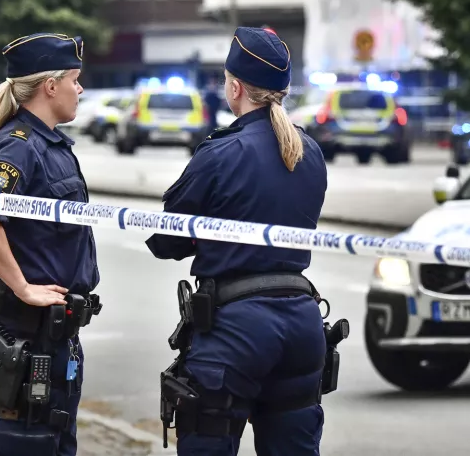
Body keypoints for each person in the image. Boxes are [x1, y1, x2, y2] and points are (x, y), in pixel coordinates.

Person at [147, 26, 344, 455]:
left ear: (235, 87)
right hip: (302, 325)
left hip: (236, 330)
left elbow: (167, 240)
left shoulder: (221, 152)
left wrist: (208, 235)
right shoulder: (309, 152)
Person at [0, 33, 101, 456]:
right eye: (74, 80)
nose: (80, 89)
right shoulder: (19, 146)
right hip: (27, 333)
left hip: (56, 334)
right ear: (50, 86)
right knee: (31, 443)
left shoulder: (51, 145)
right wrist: (22, 287)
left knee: (55, 443)